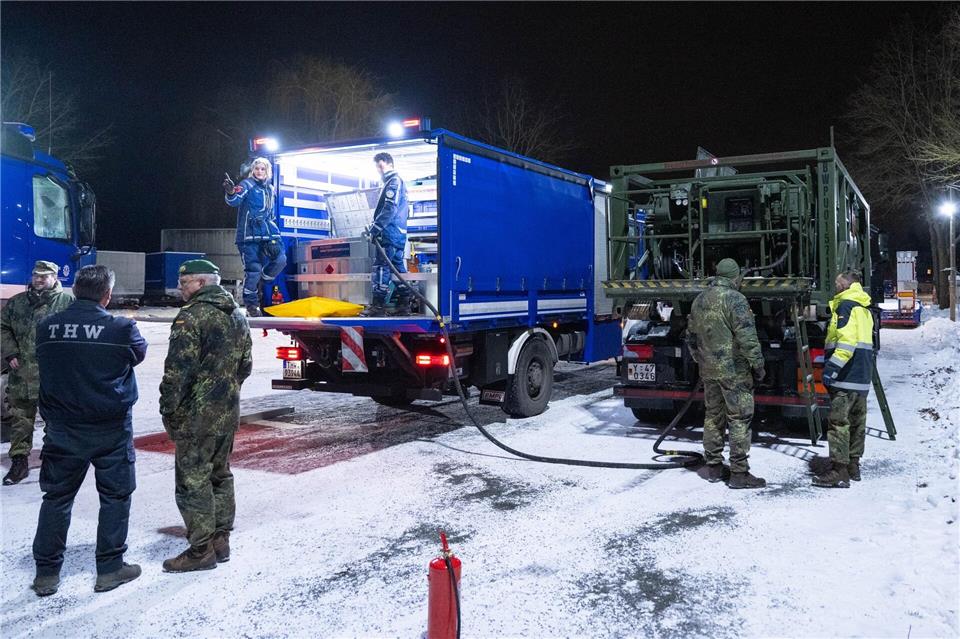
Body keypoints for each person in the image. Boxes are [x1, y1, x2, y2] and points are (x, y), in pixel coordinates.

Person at [31, 265, 147, 596]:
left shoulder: (47, 326)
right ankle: (110, 569)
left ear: (75, 291)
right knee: (115, 497)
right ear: (107, 295)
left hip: (62, 429)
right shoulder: (121, 328)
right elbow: (137, 355)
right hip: (111, 429)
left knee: (57, 498)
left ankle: (47, 574)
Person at [159, 259, 252, 572]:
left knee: (193, 481)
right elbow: (245, 366)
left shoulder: (191, 317)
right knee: (220, 474)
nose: (180, 288)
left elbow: (177, 372)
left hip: (196, 416)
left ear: (201, 283)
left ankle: (201, 550)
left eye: (184, 282)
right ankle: (220, 540)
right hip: (227, 411)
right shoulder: (237, 315)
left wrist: (168, 408)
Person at [687, 257, 767, 489]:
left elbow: (691, 337)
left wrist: (701, 361)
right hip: (734, 371)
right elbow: (747, 336)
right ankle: (739, 473)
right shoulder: (735, 299)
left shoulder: (699, 300)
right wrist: (758, 365)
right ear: (735, 277)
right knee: (739, 418)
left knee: (713, 416)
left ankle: (713, 467)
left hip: (709, 370)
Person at [1, 260, 74, 486]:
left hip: (55, 375)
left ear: (55, 278)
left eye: (44, 275)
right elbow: (3, 327)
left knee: (55, 419)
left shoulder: (68, 303)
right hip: (22, 373)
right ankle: (19, 462)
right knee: (20, 419)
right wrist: (10, 352)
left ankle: (53, 459)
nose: (39, 279)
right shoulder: (17, 303)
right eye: (36, 275)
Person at [813, 270, 876, 488]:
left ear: (846, 285)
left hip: (846, 375)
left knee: (839, 422)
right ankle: (853, 466)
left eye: (838, 283)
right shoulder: (864, 307)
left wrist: (831, 369)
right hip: (861, 376)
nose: (835, 286)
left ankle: (839, 471)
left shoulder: (845, 306)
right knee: (858, 422)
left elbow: (846, 344)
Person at [224, 157, 286, 317]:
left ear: (267, 171)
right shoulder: (247, 184)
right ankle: (251, 305)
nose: (259, 171)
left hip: (267, 234)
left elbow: (271, 215)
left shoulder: (270, 189)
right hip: (248, 236)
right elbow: (234, 201)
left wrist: (274, 235)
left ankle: (260, 282)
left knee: (281, 260)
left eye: (262, 169)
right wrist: (230, 192)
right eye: (257, 168)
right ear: (252, 170)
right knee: (253, 270)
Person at [362, 152, 411, 317]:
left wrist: (375, 228)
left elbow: (390, 208)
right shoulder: (396, 182)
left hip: (389, 234)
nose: (379, 169)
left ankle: (378, 307)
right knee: (398, 269)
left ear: (390, 164)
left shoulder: (393, 182)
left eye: (380, 165)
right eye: (377, 167)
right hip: (397, 234)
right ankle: (404, 304)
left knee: (382, 268)